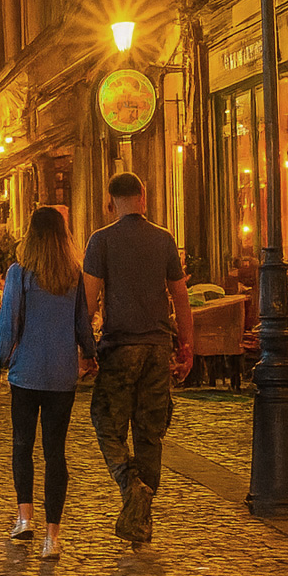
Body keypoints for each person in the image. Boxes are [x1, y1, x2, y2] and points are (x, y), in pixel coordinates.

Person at [83, 172, 194, 547]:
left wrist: (85, 351)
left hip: (120, 346)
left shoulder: (101, 241)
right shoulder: (164, 239)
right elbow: (181, 298)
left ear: (110, 204)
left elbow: (89, 300)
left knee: (105, 422)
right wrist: (186, 347)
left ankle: (131, 485)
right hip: (157, 347)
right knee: (150, 434)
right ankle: (141, 520)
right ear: (143, 198)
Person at [0, 207, 96, 561]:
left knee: (22, 445)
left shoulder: (19, 274)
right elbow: (83, 325)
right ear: (64, 237)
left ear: (30, 235)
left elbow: (9, 325)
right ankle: (53, 537)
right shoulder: (73, 276)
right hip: (62, 376)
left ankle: (24, 517)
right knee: (55, 453)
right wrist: (91, 356)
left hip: (27, 374)